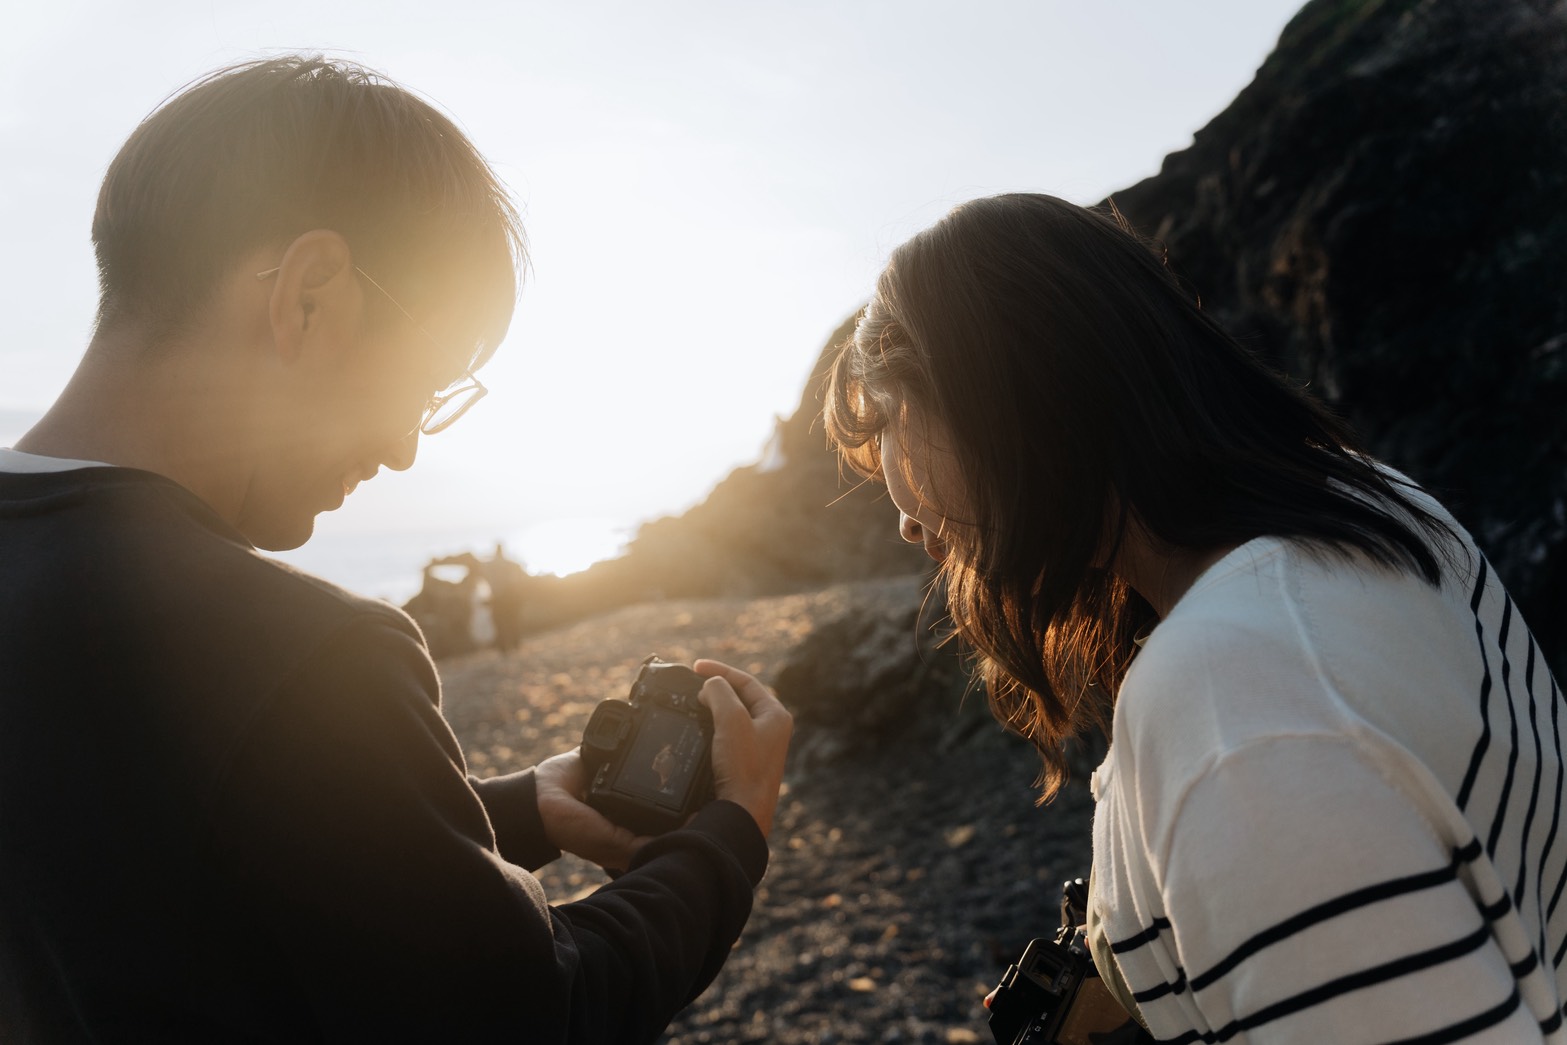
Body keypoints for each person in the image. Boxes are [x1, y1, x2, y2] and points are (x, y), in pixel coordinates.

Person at [0, 56, 791, 1043]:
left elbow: (167, 863)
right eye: (423, 384)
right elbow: (542, 1012)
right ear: (311, 297)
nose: (404, 447)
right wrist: (732, 833)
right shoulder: (302, 651)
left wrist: (517, 811)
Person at [823, 192, 1565, 1041]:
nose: (904, 520)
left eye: (887, 419)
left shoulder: (1232, 697)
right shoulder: (1366, 503)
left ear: (1008, 400)